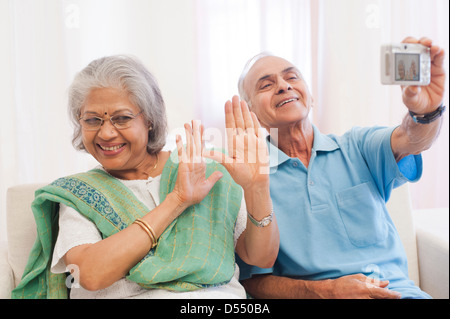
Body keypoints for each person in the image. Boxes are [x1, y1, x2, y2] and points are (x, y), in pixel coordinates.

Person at [11, 55, 279, 299]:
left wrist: (258, 188)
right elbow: (89, 275)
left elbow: (261, 257)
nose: (105, 133)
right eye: (92, 120)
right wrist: (176, 201)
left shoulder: (204, 168)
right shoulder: (80, 194)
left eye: (121, 118)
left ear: (149, 119)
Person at [233, 37, 445, 299]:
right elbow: (253, 282)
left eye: (292, 77)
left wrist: (426, 113)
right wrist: (326, 291)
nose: (283, 86)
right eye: (266, 84)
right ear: (249, 111)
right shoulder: (251, 177)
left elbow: (412, 139)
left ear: (311, 97)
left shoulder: (358, 146)